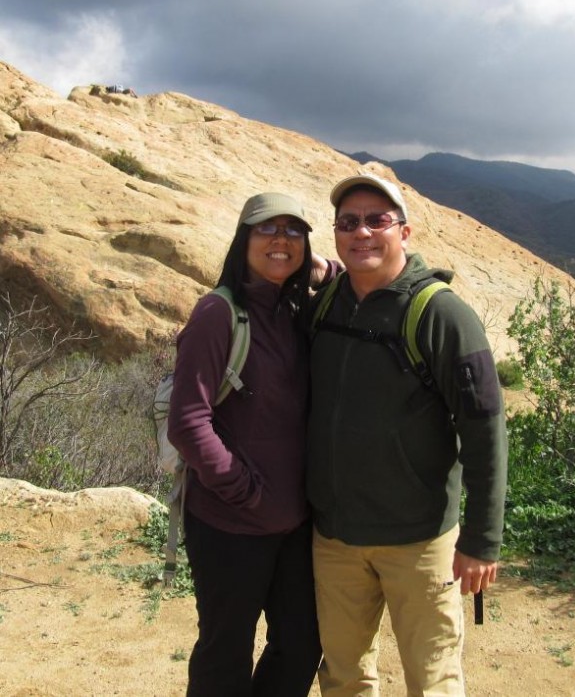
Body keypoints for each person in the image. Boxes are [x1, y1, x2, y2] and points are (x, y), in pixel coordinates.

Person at [307, 173, 508, 697]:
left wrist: (482, 541)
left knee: (433, 679)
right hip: (336, 538)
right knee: (345, 676)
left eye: (377, 220)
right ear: (336, 234)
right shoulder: (327, 304)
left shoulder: (442, 314)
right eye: (349, 223)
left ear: (405, 231)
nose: (363, 233)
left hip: (418, 541)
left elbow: (485, 430)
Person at [167, 192, 324, 697]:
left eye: (293, 231)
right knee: (225, 652)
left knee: (302, 644)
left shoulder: (295, 310)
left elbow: (352, 273)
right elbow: (188, 421)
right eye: (267, 230)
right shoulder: (218, 314)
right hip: (231, 523)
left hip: (294, 525)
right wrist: (240, 487)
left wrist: (318, 266)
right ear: (243, 240)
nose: (281, 240)